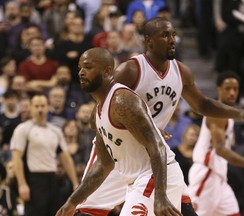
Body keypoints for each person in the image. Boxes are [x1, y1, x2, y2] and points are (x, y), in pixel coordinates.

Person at [75, 17, 244, 216]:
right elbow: (104, 106)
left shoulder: (181, 72)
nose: (172, 39)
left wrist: (240, 113)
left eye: (173, 34)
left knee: (181, 208)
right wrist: (143, 127)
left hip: (154, 153)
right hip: (120, 150)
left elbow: (202, 104)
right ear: (149, 41)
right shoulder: (131, 70)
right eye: (165, 35)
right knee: (87, 210)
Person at [56, 47, 184, 216]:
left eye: (88, 67)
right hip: (137, 182)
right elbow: (104, 163)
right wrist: (72, 201)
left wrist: (160, 197)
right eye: (80, 68)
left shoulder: (122, 101)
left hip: (154, 178)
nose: (81, 72)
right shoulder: (97, 113)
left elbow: (158, 146)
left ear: (107, 71)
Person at [187, 72, 244, 216]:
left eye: (236, 89)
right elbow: (220, 149)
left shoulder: (227, 115)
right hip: (206, 174)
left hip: (219, 177)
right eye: (228, 88)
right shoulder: (216, 114)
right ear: (218, 89)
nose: (232, 93)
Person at [10, 94, 79, 216]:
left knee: (54, 213)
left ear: (48, 107)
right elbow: (16, 158)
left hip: (52, 178)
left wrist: (75, 183)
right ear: (31, 108)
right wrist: (22, 184)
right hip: (33, 180)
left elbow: (65, 158)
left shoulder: (55, 131)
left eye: (43, 106)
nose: (40, 109)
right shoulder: (23, 129)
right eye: (36, 106)